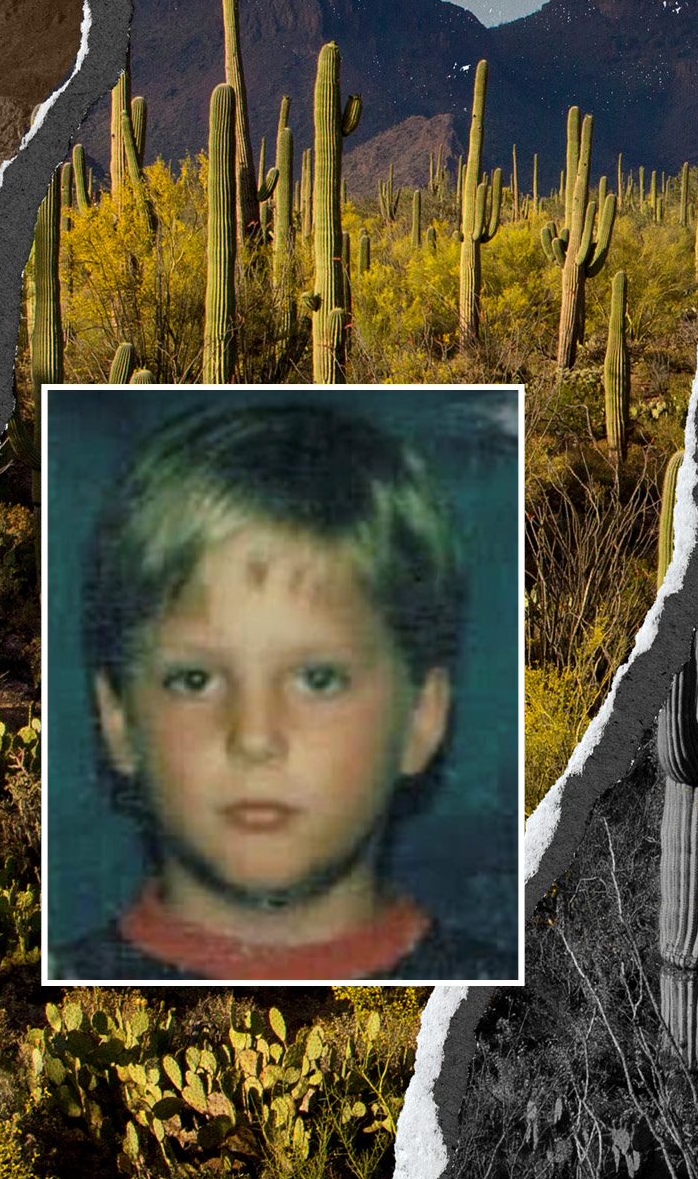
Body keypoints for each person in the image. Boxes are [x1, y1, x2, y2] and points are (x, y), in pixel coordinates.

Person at [47, 400, 516, 981]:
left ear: (423, 715)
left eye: (317, 679)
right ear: (117, 718)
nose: (255, 737)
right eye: (195, 680)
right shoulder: (62, 987)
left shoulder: (502, 1000)